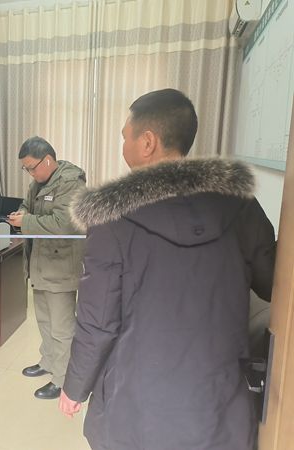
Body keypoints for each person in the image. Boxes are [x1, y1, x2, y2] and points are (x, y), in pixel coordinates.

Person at [58, 88, 276, 449]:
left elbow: (97, 322)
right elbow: (274, 285)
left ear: (148, 142)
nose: (122, 146)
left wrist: (74, 387)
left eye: (125, 137)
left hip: (135, 408)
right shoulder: (240, 206)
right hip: (217, 405)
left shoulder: (111, 218)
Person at [7, 136, 86, 399]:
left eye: (31, 167)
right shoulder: (38, 183)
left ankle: (63, 379)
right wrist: (20, 214)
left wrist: (26, 221)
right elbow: (27, 206)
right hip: (41, 262)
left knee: (62, 327)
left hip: (61, 266)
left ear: (48, 160)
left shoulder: (71, 183)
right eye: (26, 169)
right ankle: (49, 362)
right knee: (44, 320)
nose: (30, 173)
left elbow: (64, 224)